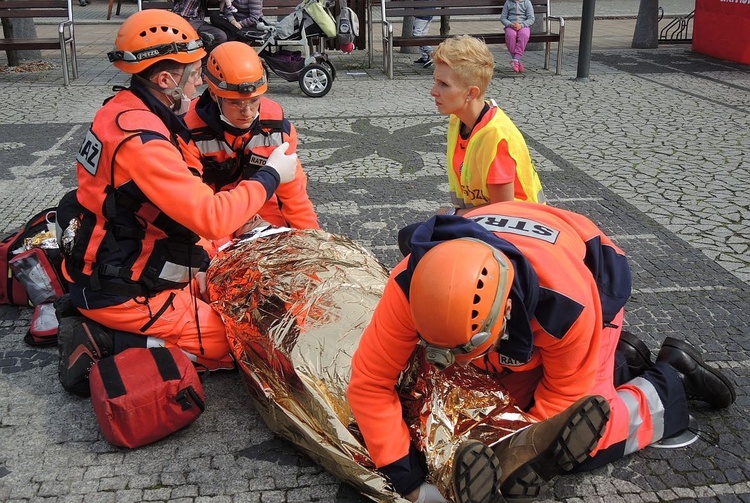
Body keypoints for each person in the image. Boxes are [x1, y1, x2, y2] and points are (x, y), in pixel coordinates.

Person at [348, 201, 736, 503]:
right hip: (532, 281)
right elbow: (370, 382)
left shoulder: (567, 305)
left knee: (581, 443)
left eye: (470, 351)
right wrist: (410, 483)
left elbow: (561, 410)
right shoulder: (410, 284)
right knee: (472, 398)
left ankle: (671, 384)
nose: (459, 368)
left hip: (593, 279)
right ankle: (621, 361)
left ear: (508, 311)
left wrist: (517, 454)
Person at [56, 11, 299, 381]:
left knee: (229, 300)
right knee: (237, 344)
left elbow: (186, 205)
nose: (199, 84)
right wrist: (270, 176)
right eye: (196, 75)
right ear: (166, 79)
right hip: (124, 289)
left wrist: (207, 260)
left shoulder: (128, 113)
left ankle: (114, 319)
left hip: (122, 264)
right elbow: (210, 216)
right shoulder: (142, 142)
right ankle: (104, 339)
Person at [399, 35, 545, 255]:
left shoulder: (496, 137)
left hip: (518, 238)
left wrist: (453, 214)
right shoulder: (459, 120)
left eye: (443, 84)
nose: (433, 91)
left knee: (417, 241)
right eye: (435, 81)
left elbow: (502, 213)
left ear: (471, 93)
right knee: (412, 238)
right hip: (483, 224)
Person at [184, 41, 320, 236]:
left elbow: (295, 199)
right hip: (217, 223)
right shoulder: (188, 132)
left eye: (254, 101)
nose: (247, 112)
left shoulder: (279, 130)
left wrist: (315, 243)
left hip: (267, 219)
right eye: (235, 103)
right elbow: (194, 211)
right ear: (214, 94)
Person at [501, 0, 535, 73]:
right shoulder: (508, 2)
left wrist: (522, 25)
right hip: (511, 26)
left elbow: (531, 18)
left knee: (524, 35)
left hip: (523, 26)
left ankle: (515, 59)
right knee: (510, 35)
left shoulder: (527, 2)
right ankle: (516, 60)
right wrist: (510, 24)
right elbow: (503, 18)